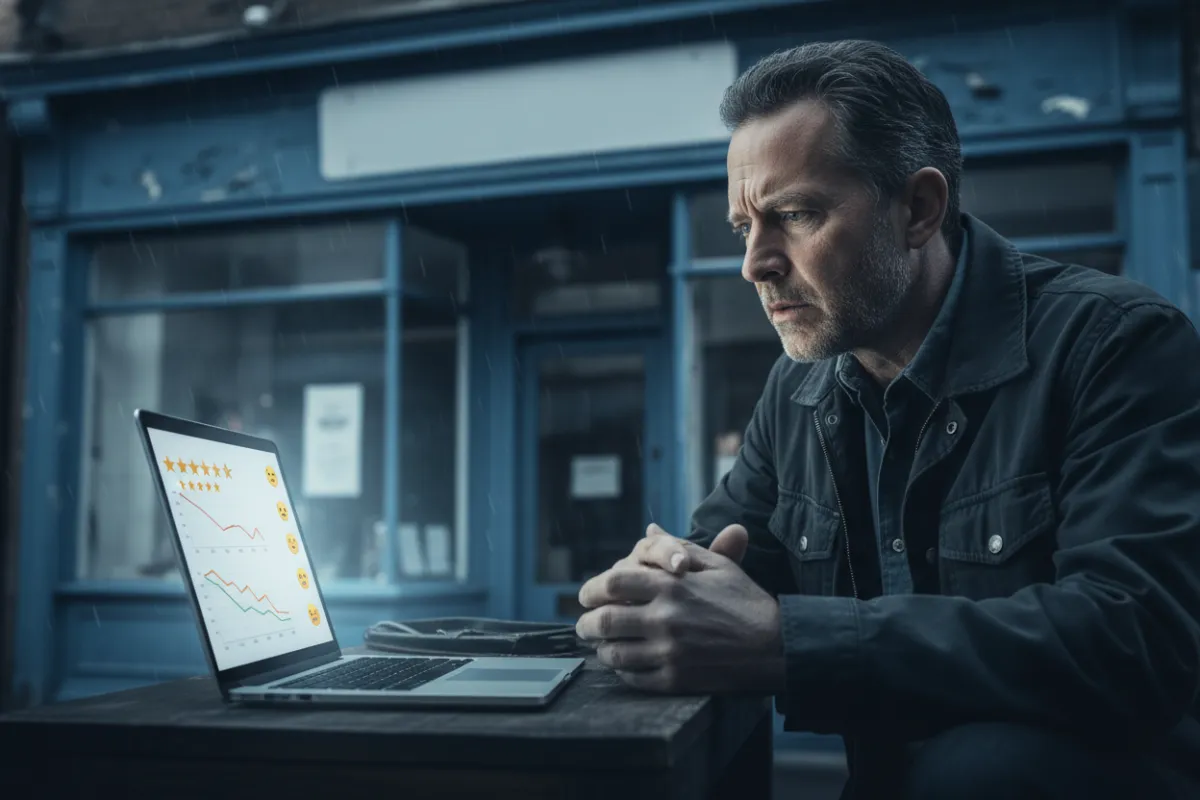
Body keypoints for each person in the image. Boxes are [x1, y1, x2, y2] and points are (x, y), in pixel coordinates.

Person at [573, 40, 1200, 799]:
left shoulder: (1117, 343)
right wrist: (659, 592)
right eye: (745, 228)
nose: (754, 264)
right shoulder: (795, 391)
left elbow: (1136, 639)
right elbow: (717, 576)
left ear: (919, 208)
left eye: (796, 214)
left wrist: (787, 640)